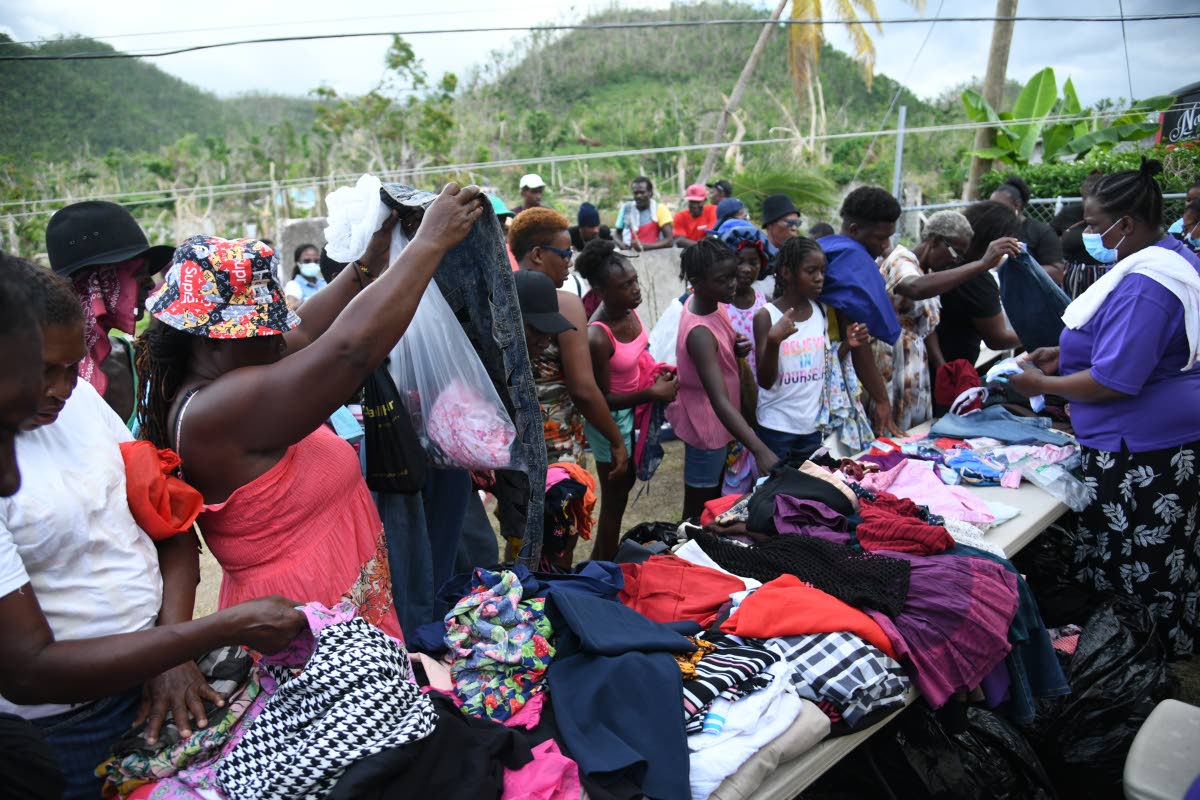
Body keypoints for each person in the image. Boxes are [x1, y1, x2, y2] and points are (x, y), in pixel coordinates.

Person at [0, 255, 305, 797]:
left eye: (73, 368)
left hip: (164, 680)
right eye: (46, 369)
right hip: (66, 728)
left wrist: (172, 648)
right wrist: (209, 632)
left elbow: (169, 525)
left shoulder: (81, 408)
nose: (62, 388)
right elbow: (28, 670)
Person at [135, 183, 485, 643]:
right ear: (216, 337)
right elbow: (347, 352)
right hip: (304, 624)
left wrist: (367, 266)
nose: (280, 338)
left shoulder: (226, 375)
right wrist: (427, 246)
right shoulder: (222, 408)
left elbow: (305, 333)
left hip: (330, 607)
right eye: (265, 328)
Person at [1009, 159, 1200, 659]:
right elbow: (1129, 349)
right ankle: (1149, 648)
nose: (1087, 233)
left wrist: (1043, 382)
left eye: (1094, 225)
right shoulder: (1166, 258)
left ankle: (1140, 656)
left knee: (1142, 558)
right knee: (1164, 553)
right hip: (1155, 436)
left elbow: (1115, 378)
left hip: (1143, 448)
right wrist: (1063, 355)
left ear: (1127, 224)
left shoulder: (1147, 285)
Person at [870, 210, 1021, 429]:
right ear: (934, 240)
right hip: (893, 363)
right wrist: (981, 264)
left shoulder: (925, 270)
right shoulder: (902, 261)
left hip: (912, 365)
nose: (954, 260)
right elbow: (915, 288)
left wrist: (941, 364)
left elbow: (925, 325)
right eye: (954, 252)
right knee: (893, 431)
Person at [576, 240, 678, 561]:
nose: (635, 289)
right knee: (615, 500)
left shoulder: (628, 310)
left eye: (634, 280)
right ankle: (601, 569)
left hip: (634, 409)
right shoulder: (597, 335)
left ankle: (604, 564)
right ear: (603, 291)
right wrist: (651, 393)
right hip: (610, 421)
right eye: (625, 285)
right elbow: (601, 399)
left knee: (623, 489)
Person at [668, 239, 778, 520]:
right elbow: (717, 399)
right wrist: (759, 448)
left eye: (733, 275)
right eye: (723, 279)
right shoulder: (700, 332)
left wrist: (733, 345)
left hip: (721, 424)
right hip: (707, 428)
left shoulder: (713, 304)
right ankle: (680, 554)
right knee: (698, 506)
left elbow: (721, 346)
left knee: (716, 499)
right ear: (696, 281)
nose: (733, 283)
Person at [45, 201, 174, 431]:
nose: (150, 284)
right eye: (138, 273)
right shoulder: (39, 370)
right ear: (99, 282)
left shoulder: (134, 358)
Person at [754, 237, 869, 461]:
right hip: (777, 428)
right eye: (811, 271)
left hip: (813, 427)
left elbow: (824, 366)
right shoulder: (766, 315)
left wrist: (848, 345)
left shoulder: (820, 311)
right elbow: (765, 381)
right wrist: (774, 341)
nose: (819, 278)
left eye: (822, 271)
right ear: (787, 272)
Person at [817, 187, 904, 436]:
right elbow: (858, 339)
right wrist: (882, 399)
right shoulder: (853, 260)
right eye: (880, 238)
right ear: (854, 230)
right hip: (829, 377)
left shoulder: (823, 247)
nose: (886, 246)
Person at [933, 201, 1023, 370]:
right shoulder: (977, 279)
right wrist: (1038, 333)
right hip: (951, 370)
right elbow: (997, 339)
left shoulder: (944, 262)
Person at [990, 175, 1065, 284]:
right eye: (990, 206)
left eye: (999, 207)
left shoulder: (1041, 232)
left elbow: (1057, 273)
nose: (993, 211)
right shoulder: (988, 229)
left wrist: (1014, 267)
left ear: (1017, 206)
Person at [718, 223, 770, 374]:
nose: (746, 269)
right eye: (739, 262)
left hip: (759, 388)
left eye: (753, 263)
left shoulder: (765, 303)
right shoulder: (719, 305)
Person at [618, 176, 674, 251]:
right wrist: (620, 243)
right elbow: (617, 233)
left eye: (642, 192)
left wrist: (643, 246)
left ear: (650, 193)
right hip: (629, 256)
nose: (638, 196)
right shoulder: (627, 208)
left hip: (655, 257)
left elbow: (669, 241)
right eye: (636, 193)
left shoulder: (660, 209)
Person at [761, 193, 801, 272]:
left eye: (797, 223)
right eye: (789, 222)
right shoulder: (758, 255)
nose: (794, 228)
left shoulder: (799, 255)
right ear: (770, 225)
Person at [283, 242, 327, 311]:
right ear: (298, 263)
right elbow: (290, 309)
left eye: (316, 261)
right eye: (307, 261)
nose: (312, 263)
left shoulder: (324, 282)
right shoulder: (293, 285)